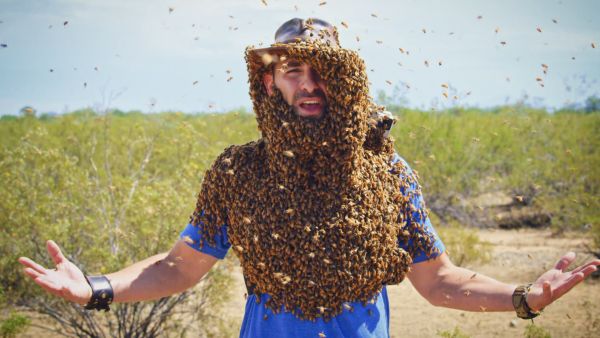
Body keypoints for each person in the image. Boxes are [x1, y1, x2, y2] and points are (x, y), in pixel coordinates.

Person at [18, 18, 600, 338]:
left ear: (346, 83)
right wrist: (96, 287)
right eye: (293, 69)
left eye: (323, 71)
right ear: (269, 83)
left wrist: (523, 298)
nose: (309, 83)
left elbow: (441, 281)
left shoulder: (387, 172)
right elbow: (177, 267)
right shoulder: (238, 171)